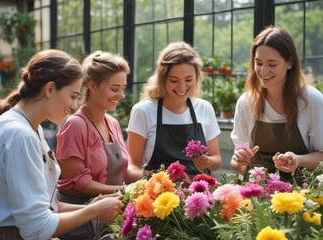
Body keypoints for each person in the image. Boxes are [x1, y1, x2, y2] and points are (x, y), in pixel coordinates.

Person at [0, 49, 123, 240]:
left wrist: (93, 206)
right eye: (73, 96)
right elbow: (37, 228)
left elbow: (47, 207)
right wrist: (93, 212)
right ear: (50, 89)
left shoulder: (29, 128)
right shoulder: (20, 135)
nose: (74, 106)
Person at [230, 26, 323, 183]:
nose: (264, 71)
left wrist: (298, 160)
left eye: (272, 64)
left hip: (305, 197)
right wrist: (240, 160)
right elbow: (236, 163)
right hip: (257, 197)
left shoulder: (312, 100)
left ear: (290, 63)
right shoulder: (246, 102)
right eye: (258, 63)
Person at [55, 50, 130, 239]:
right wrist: (122, 191)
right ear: (93, 86)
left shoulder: (112, 123)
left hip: (110, 215)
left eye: (123, 88)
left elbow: (122, 169)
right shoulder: (76, 125)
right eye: (114, 89)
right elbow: (79, 183)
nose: (121, 95)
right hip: (80, 221)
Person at [126, 41, 222, 182]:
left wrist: (207, 162)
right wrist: (155, 178)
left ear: (197, 77)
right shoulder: (143, 111)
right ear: (162, 79)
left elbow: (217, 160)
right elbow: (131, 167)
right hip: (158, 194)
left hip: (199, 193)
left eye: (188, 79)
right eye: (174, 80)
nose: (182, 87)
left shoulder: (204, 108)